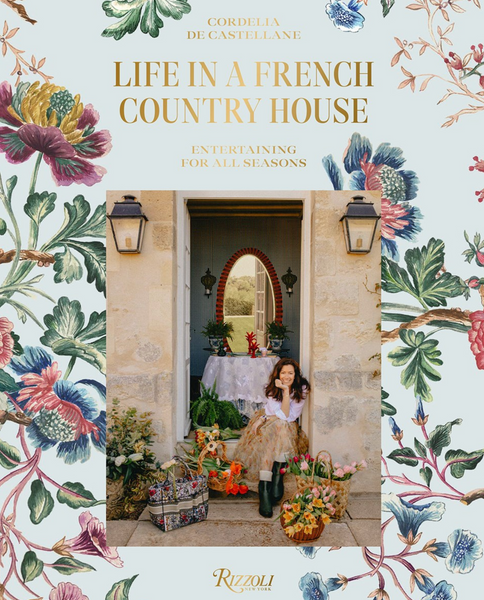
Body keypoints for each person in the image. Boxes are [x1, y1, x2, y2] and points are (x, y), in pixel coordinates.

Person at [234, 357, 310, 518]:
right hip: (271, 424)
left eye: (290, 373)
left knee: (281, 427)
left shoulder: (302, 388)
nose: (287, 377)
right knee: (275, 432)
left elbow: (288, 416)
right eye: (283, 373)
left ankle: (271, 479)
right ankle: (268, 485)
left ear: (296, 374)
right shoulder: (270, 388)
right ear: (278, 374)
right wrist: (263, 418)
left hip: (282, 425)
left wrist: (286, 392)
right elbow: (279, 414)